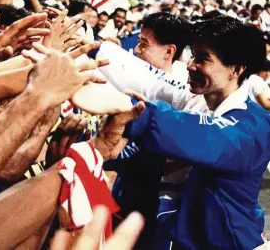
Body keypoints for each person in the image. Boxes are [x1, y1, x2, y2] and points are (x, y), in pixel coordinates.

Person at [94, 16, 270, 249]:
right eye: (193, 55)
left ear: (235, 70)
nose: (190, 65)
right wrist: (92, 52)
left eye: (203, 58)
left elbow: (205, 137)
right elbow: (153, 82)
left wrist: (135, 114)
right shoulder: (198, 100)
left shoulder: (253, 127)